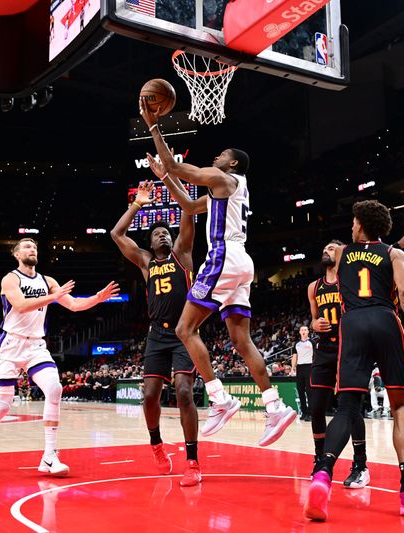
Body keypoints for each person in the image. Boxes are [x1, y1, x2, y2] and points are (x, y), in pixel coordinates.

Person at [141, 100, 296, 447]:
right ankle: (275, 406)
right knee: (242, 341)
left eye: (222, 154)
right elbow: (189, 205)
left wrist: (153, 126)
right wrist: (165, 177)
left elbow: (180, 167)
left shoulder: (225, 178)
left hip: (223, 256)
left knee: (184, 327)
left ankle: (219, 398)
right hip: (242, 262)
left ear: (234, 162)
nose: (216, 157)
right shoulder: (224, 192)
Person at [303, 200, 404, 521]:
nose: (350, 226)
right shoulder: (395, 254)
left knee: (347, 408)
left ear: (360, 224)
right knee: (401, 407)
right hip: (386, 321)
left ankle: (322, 476)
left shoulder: (341, 252)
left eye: (353, 221)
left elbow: (355, 258)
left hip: (353, 325)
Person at [0, 238, 119, 476]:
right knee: (3, 405)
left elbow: (74, 305)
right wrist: (53, 297)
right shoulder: (10, 279)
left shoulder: (48, 281)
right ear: (17, 254)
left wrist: (97, 298)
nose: (32, 249)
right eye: (27, 247)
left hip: (36, 345)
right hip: (10, 345)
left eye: (35, 247)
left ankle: (49, 456)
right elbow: (21, 305)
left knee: (54, 389)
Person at [111, 178, 202, 486]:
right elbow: (116, 234)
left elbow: (188, 214)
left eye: (166, 232)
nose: (163, 235)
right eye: (157, 233)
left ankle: (192, 461)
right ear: (150, 244)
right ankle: (157, 445)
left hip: (183, 333)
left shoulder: (182, 255)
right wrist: (138, 202)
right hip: (156, 336)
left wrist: (176, 182)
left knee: (184, 392)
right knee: (150, 396)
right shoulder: (146, 262)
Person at [291, 326, 314, 421]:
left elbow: (316, 356)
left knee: (309, 391)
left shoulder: (312, 342)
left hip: (309, 367)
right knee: (300, 391)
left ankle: (310, 413)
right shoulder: (296, 344)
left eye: (305, 330)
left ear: (308, 332)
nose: (303, 331)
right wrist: (293, 368)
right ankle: (304, 412)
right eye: (302, 330)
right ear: (300, 332)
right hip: (300, 368)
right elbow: (294, 357)